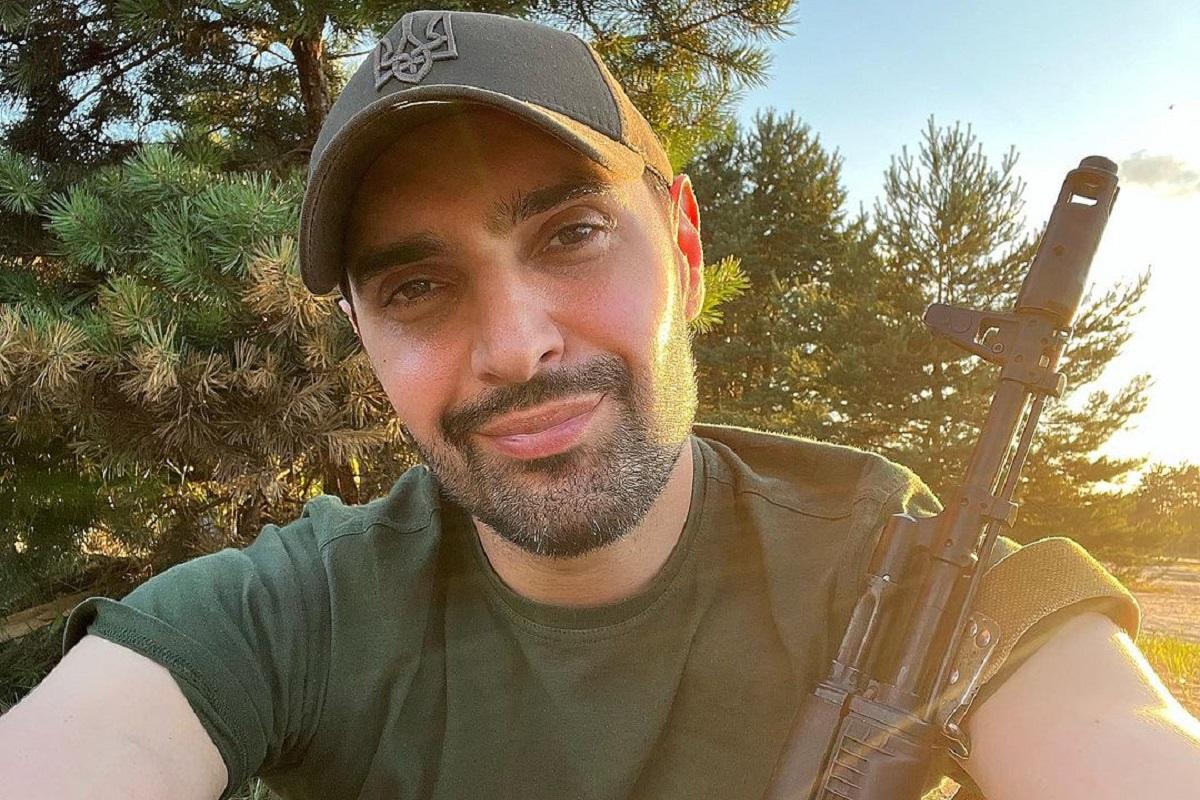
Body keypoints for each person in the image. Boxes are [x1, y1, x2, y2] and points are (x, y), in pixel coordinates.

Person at [1, 10, 1197, 800]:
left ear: (685, 247)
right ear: (365, 334)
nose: (515, 345)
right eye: (416, 286)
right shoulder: (287, 613)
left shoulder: (902, 577)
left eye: (571, 233)